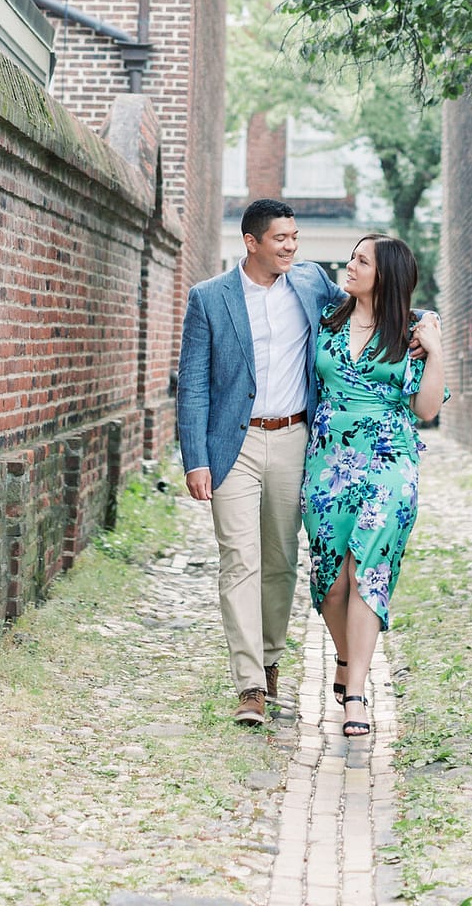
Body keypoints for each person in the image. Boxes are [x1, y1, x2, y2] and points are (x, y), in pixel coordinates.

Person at [175, 198, 339, 727]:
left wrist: (419, 322)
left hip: (294, 437)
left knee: (280, 561)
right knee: (238, 560)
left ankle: (270, 661)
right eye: (280, 239)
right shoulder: (209, 299)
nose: (291, 246)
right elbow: (193, 386)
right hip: (234, 444)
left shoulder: (312, 284)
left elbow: (362, 309)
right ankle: (248, 684)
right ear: (251, 242)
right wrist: (195, 459)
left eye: (294, 237)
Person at [301, 233, 445, 740]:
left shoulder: (414, 329)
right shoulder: (328, 319)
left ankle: (356, 692)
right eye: (352, 257)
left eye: (361, 260)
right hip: (327, 461)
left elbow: (426, 409)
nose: (350, 265)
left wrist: (436, 349)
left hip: (389, 460)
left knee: (368, 571)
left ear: (386, 274)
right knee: (330, 580)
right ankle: (345, 656)